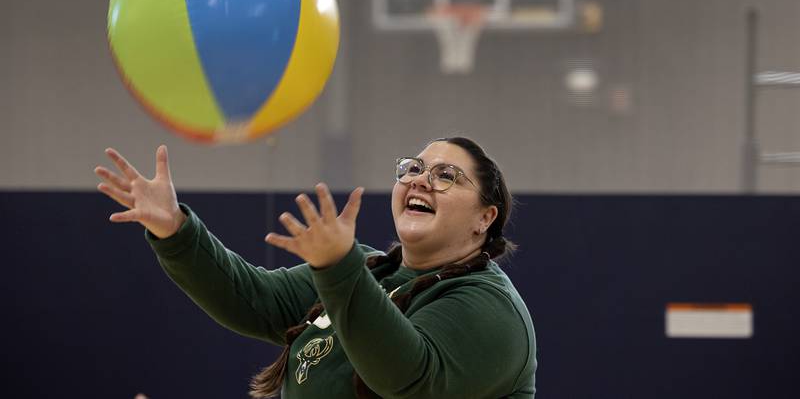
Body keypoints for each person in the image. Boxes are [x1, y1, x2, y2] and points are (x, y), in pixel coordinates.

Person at [95, 137, 537, 398]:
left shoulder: (489, 308)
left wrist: (339, 268)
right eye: (414, 168)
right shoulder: (367, 271)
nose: (420, 180)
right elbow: (253, 300)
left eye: (446, 176)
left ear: (485, 217)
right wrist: (176, 230)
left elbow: (406, 381)